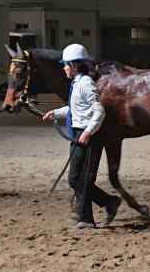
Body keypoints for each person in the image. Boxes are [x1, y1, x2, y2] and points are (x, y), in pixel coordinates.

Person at [42, 43, 121, 230]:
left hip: (88, 135)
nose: (63, 68)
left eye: (66, 65)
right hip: (78, 133)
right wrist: (56, 112)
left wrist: (87, 132)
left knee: (81, 178)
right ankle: (108, 202)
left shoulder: (85, 83)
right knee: (75, 178)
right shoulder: (77, 83)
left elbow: (98, 111)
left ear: (75, 65)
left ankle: (86, 219)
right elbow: (76, 108)